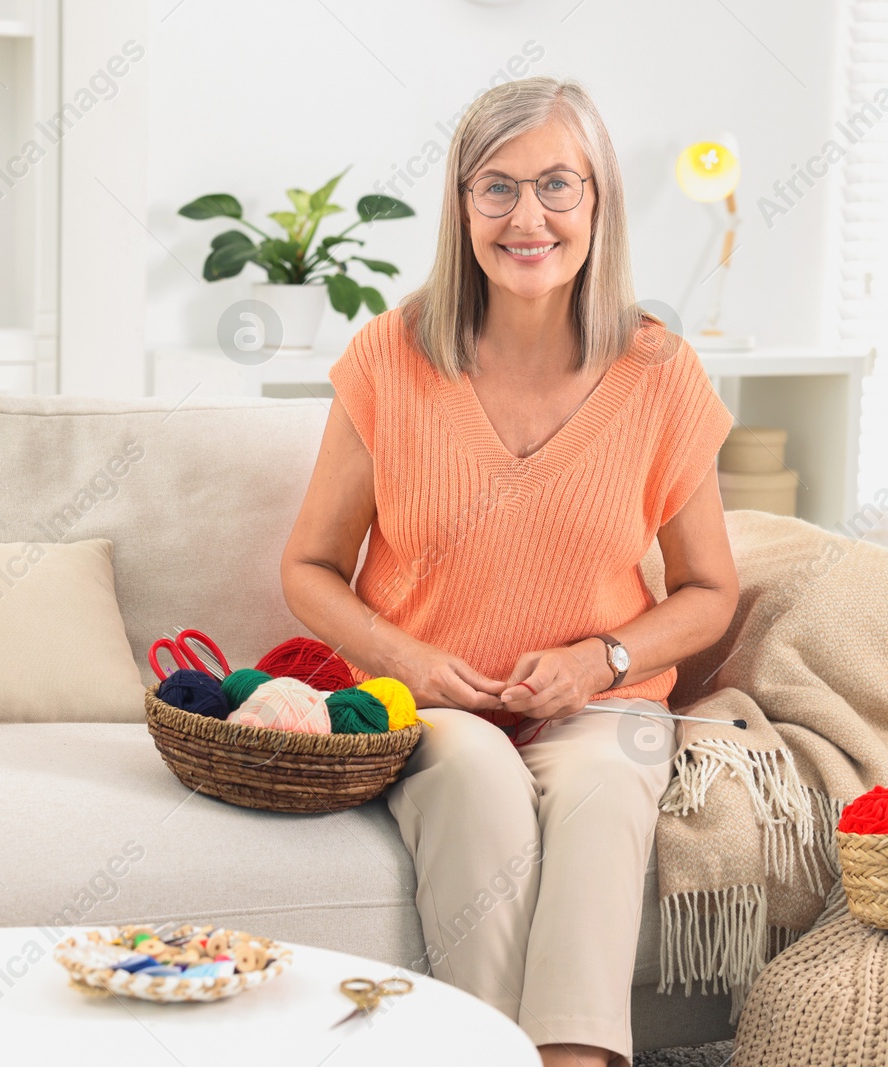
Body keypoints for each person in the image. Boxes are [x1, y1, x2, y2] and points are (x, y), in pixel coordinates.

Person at [281, 75, 739, 1067]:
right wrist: (404, 655)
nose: (526, 216)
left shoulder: (659, 371)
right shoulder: (390, 357)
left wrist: (599, 659)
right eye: (496, 187)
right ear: (460, 204)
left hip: (602, 703)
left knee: (606, 789)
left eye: (556, 186)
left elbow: (710, 590)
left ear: (598, 201)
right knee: (480, 781)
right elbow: (311, 566)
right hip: (434, 700)